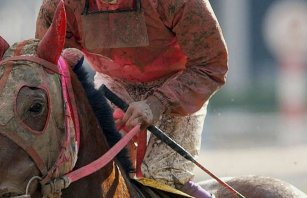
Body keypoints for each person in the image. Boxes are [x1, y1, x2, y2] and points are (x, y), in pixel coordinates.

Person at [36, 0, 228, 197]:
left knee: (163, 177)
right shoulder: (60, 4)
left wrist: (158, 103)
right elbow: (48, 65)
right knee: (86, 169)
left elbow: (211, 64)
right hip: (112, 83)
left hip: (176, 85)